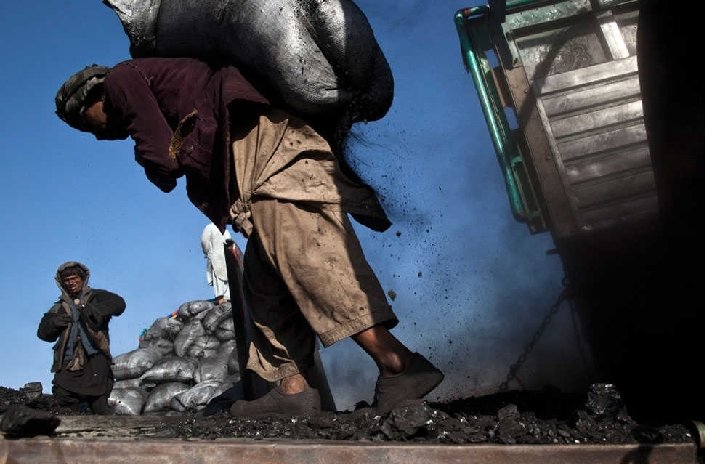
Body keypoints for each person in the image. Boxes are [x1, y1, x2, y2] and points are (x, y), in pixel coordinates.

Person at [54, 58, 443, 416]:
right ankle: (292, 389)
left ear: (93, 96)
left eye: (88, 124)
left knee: (308, 260)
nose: (97, 135)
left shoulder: (122, 80)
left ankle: (398, 365)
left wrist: (153, 164)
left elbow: (162, 157)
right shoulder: (153, 84)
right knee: (262, 289)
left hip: (270, 154)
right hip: (257, 167)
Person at [37, 262, 126, 414]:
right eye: (67, 280)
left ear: (83, 279)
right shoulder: (59, 307)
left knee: (98, 400)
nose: (71, 283)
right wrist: (54, 323)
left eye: (74, 278)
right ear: (62, 283)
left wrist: (94, 311)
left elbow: (119, 305)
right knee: (63, 395)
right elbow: (43, 333)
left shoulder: (96, 297)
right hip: (69, 361)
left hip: (95, 358)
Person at [200, 222, 232, 304]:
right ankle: (220, 297)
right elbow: (204, 241)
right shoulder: (210, 227)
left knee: (227, 276)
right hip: (215, 255)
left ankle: (227, 296)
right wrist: (208, 252)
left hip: (225, 257)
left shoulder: (226, 231)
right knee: (218, 276)